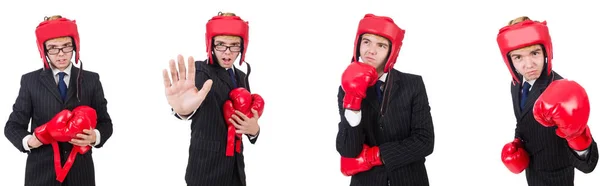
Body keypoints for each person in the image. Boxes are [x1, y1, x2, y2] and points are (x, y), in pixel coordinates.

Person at [3, 15, 114, 186]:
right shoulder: (30, 81)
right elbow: (12, 126)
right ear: (44, 50)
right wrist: (29, 141)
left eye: (66, 47)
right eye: (53, 48)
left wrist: (95, 136)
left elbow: (105, 123)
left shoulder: (91, 80)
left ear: (75, 46)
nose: (61, 54)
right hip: (40, 174)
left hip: (80, 175)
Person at [162, 12, 264, 186]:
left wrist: (254, 131)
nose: (227, 52)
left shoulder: (241, 76)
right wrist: (182, 110)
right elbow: (190, 103)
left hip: (236, 173)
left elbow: (245, 119)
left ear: (242, 47)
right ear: (211, 44)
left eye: (234, 46)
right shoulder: (201, 71)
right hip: (206, 171)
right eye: (221, 45)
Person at [497, 16, 598, 186]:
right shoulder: (516, 85)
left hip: (557, 178)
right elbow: (521, 121)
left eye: (534, 53)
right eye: (518, 57)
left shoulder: (561, 91)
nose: (528, 65)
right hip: (533, 174)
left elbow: (589, 164)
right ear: (509, 61)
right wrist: (518, 143)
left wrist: (578, 136)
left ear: (546, 51)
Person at [336, 13, 435, 186]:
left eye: (381, 45)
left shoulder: (413, 84)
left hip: (409, 180)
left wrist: (376, 156)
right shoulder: (346, 88)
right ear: (358, 44)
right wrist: (353, 101)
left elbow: (425, 141)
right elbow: (348, 150)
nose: (371, 50)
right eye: (366, 42)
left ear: (392, 51)